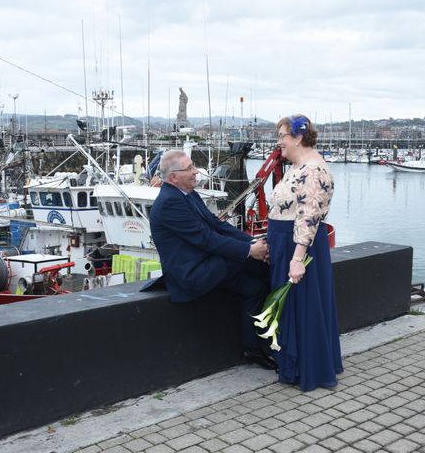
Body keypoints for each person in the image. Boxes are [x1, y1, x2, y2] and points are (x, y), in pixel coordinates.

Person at [147, 149, 276, 370]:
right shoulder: (170, 202)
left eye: (193, 166)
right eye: (188, 168)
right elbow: (205, 239)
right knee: (258, 265)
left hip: (209, 264)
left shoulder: (187, 194)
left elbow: (217, 225)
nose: (195, 171)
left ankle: (252, 347)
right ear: (173, 177)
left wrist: (250, 242)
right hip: (190, 274)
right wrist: (250, 251)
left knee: (254, 287)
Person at [267, 114, 343, 390]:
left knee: (302, 306)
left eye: (282, 137)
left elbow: (308, 217)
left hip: (298, 245)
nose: (279, 143)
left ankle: (306, 369)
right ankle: (294, 365)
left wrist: (297, 259)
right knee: (292, 308)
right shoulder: (297, 166)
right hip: (285, 243)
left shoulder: (313, 171)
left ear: (298, 137)